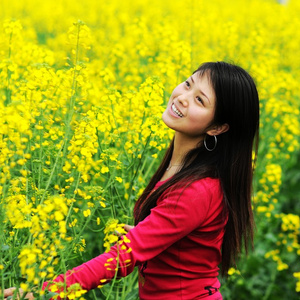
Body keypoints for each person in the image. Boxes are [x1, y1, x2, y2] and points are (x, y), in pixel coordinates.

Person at [2, 61, 260, 299]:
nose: (182, 97)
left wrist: (44, 292)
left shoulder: (197, 190)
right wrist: (150, 233)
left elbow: (125, 256)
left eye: (199, 100)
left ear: (217, 128)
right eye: (188, 83)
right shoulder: (184, 168)